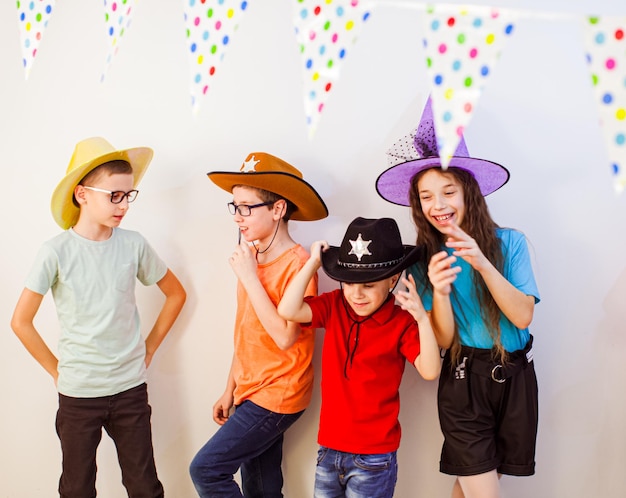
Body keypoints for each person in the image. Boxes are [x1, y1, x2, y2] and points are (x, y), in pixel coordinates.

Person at [376, 97, 540, 498]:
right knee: (483, 492)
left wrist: (483, 263)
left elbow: (522, 318)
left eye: (447, 191)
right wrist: (442, 293)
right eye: (426, 196)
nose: (438, 205)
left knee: (471, 489)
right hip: (464, 381)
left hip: (516, 379)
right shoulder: (424, 261)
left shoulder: (510, 243)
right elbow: (445, 342)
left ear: (468, 193)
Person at [10, 137, 187, 497]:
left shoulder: (133, 244)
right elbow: (20, 321)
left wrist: (149, 347)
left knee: (144, 486)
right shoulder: (55, 252)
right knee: (77, 488)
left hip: (129, 389)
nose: (123, 205)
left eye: (128, 195)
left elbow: (176, 293)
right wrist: (58, 371)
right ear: (82, 194)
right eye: (114, 195)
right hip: (78, 395)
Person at [189, 152, 328, 497]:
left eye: (247, 207)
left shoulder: (299, 264)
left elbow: (284, 337)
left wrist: (250, 277)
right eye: (234, 206)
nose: (238, 217)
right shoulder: (252, 258)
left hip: (279, 393)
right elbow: (246, 332)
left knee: (206, 469)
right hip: (250, 391)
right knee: (261, 489)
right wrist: (230, 388)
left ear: (278, 209)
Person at [278, 216, 441, 498]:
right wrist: (313, 264)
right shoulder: (334, 306)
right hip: (328, 450)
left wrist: (423, 321)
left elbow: (430, 370)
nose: (356, 294)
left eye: (368, 285)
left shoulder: (401, 321)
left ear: (392, 279)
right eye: (348, 283)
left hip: (374, 458)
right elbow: (288, 310)